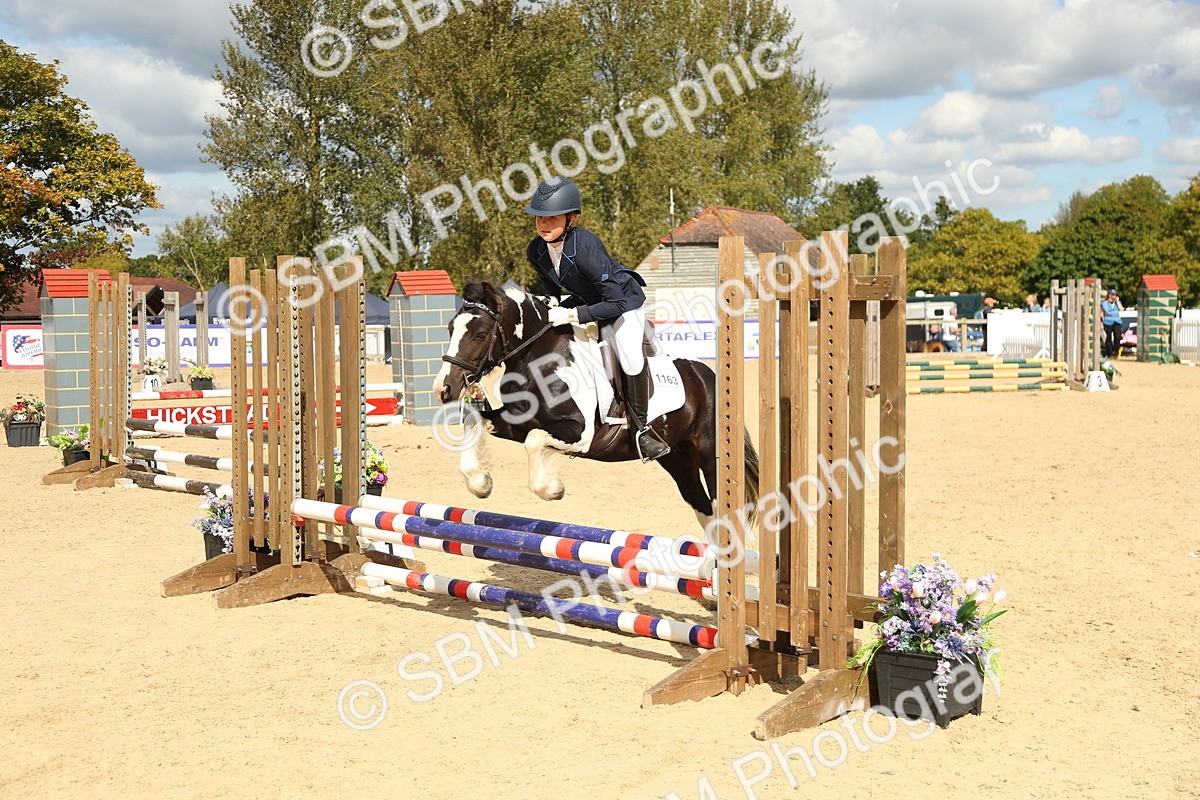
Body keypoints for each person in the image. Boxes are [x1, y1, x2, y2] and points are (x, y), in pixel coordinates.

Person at [524, 176, 670, 461]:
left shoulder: (586, 247)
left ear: (571, 217)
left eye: (552, 217)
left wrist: (574, 313)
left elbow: (614, 301)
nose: (543, 224)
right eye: (539, 217)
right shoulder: (536, 249)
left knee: (628, 354)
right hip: (587, 300)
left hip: (623, 303)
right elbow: (550, 285)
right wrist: (552, 304)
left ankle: (642, 431)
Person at [1101, 287, 1123, 357]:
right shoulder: (1104, 303)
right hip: (1108, 323)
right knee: (1109, 338)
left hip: (1117, 322)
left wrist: (1118, 301)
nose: (1115, 297)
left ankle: (1116, 352)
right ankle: (1110, 353)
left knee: (1117, 337)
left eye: (1115, 295)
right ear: (1110, 295)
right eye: (1113, 295)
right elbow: (1105, 312)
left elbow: (1121, 309)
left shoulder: (1116, 303)